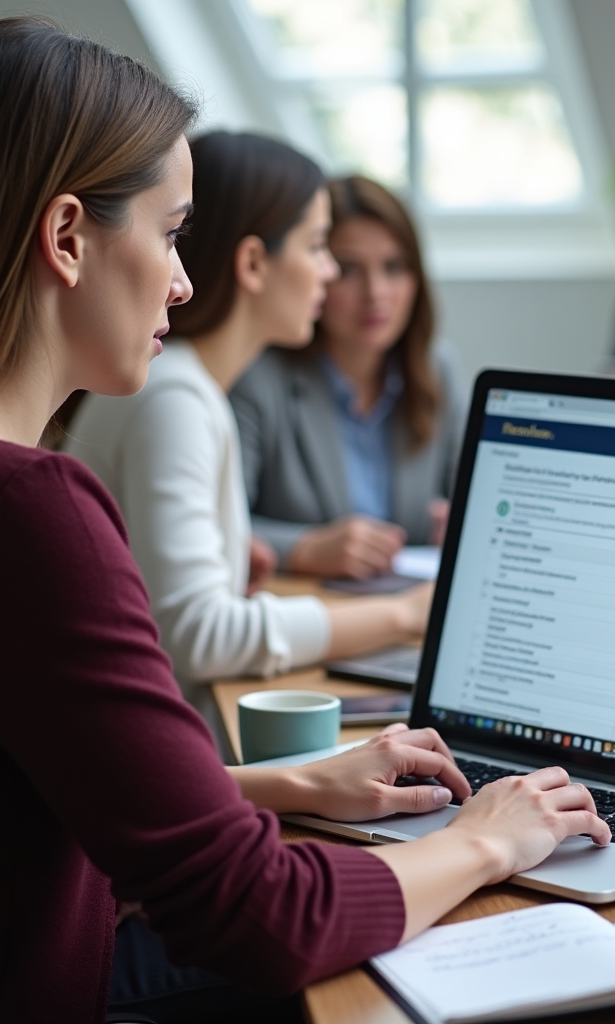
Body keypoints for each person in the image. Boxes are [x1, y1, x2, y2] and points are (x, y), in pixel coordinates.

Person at [0, 18, 610, 1024]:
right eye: (169, 234)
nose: (183, 281)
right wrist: (486, 838)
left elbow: (33, 799)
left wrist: (287, 781)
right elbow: (257, 915)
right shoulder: (25, 508)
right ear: (67, 237)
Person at [64, 139, 432, 729]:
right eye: (317, 247)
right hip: (161, 742)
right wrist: (404, 616)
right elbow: (199, 636)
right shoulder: (176, 398)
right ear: (254, 264)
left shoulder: (189, 388)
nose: (330, 272)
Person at [230, 175, 467, 579]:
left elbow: (462, 499)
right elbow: (218, 528)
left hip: (401, 615)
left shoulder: (436, 368)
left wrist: (462, 524)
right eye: (350, 270)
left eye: (394, 268)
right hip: (306, 614)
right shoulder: (258, 377)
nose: (377, 293)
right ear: (319, 271)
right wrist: (305, 549)